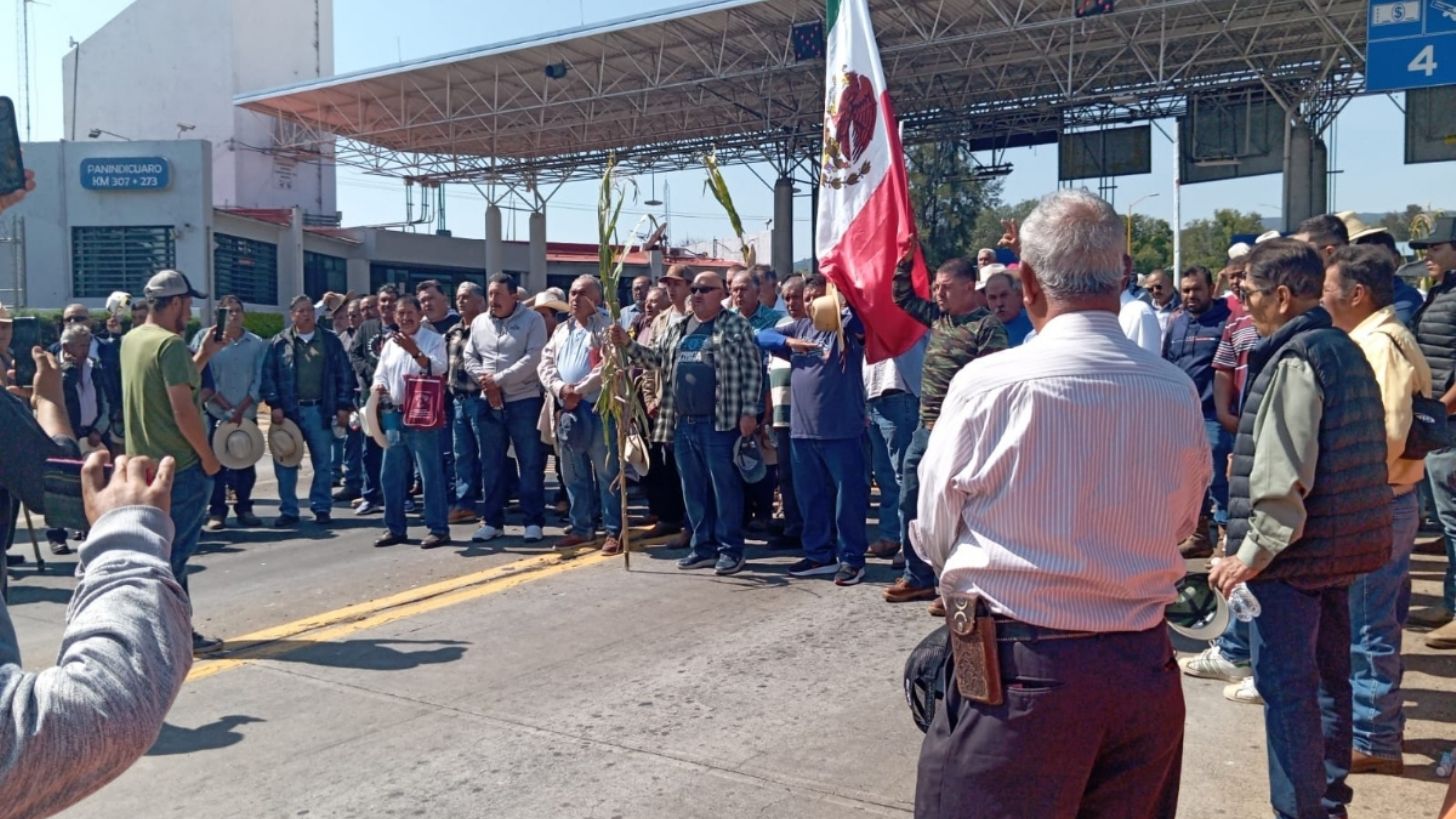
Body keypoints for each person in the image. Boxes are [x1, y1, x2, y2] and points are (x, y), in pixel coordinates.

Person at [912, 189, 1209, 817]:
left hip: (1022, 671)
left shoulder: (989, 385)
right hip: (1141, 669)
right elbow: (1183, 522)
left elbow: (936, 527)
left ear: (1025, 281)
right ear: (1123, 272)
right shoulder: (1175, 389)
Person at [1211, 237, 1391, 818]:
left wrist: (1251, 555)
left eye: (1252, 294)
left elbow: (1283, 474)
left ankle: (1302, 810)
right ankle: (1328, 803)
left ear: (1283, 295)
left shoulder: (1295, 358)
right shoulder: (1343, 346)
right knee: (1328, 684)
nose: (1245, 305)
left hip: (1292, 562)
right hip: (1337, 552)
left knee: (1289, 696)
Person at [1321, 244, 1432, 775]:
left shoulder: (1378, 346)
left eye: (1327, 287)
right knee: (1376, 621)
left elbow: (1386, 433)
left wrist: (1344, 484)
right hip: (1392, 499)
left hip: (1377, 500)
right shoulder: (1382, 335)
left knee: (1369, 628)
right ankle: (1376, 729)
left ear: (1356, 294)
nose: (1321, 297)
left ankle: (1374, 737)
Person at [613, 271, 762, 573]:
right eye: (694, 289)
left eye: (705, 289)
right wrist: (625, 345)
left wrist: (749, 412)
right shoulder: (679, 327)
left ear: (722, 293)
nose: (696, 294)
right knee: (693, 490)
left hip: (721, 422)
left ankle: (731, 549)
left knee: (724, 489)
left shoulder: (735, 325)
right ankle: (702, 545)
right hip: (683, 422)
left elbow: (753, 371)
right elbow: (654, 360)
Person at [890, 254, 1007, 611]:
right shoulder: (939, 319)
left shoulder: (986, 328)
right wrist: (903, 263)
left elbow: (994, 384)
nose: (938, 294)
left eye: (946, 287)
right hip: (926, 429)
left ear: (969, 288)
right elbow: (902, 298)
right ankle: (917, 576)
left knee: (955, 511)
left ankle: (953, 586)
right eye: (936, 287)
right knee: (911, 499)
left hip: (962, 435)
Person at [121, 269, 226, 656]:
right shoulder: (170, 345)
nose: (191, 311)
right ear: (177, 302)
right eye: (188, 303)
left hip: (142, 470)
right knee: (173, 560)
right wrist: (209, 458)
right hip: (179, 468)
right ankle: (175, 638)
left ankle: (154, 633)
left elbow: (168, 389)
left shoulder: (134, 340)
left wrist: (203, 356)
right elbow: (183, 411)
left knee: (155, 557)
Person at [757, 275, 870, 586]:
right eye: (806, 299)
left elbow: (865, 318)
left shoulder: (848, 327)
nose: (809, 304)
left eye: (816, 298)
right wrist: (787, 343)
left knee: (848, 499)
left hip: (841, 429)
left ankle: (852, 559)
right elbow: (760, 335)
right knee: (811, 498)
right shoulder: (799, 327)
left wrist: (847, 299)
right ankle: (819, 554)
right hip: (803, 431)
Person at [538, 276, 623, 553]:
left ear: (596, 299)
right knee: (573, 473)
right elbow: (545, 364)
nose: (574, 298)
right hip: (567, 409)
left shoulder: (606, 328)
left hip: (598, 408)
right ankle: (581, 527)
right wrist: (562, 389)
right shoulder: (562, 329)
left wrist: (580, 389)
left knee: (605, 471)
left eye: (581, 293)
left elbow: (608, 364)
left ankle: (614, 530)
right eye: (572, 293)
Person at [463, 274, 549, 544]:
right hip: (487, 401)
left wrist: (498, 381)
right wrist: (486, 382)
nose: (493, 300)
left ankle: (533, 521)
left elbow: (533, 357)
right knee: (491, 464)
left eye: (499, 294)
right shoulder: (479, 322)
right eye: (490, 294)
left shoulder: (532, 321)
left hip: (523, 399)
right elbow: (469, 356)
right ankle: (492, 521)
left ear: (514, 296)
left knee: (530, 462)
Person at [260, 295, 354, 527]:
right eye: (301, 311)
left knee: (323, 462)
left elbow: (344, 374)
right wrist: (274, 404)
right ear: (292, 315)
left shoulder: (330, 341)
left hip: (319, 410)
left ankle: (322, 507)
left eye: (310, 310)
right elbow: (268, 375)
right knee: (285, 462)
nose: (306, 314)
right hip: (289, 413)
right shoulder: (279, 342)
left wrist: (343, 406)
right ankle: (289, 510)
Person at [1163, 265, 1235, 558]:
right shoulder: (1177, 323)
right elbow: (1167, 361)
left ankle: (1227, 538)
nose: (1191, 295)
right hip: (1182, 414)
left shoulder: (1225, 322)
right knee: (1190, 478)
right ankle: (1198, 535)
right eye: (1186, 290)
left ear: (1211, 290)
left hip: (1212, 415)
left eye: (1197, 289)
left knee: (1219, 476)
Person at [371, 294, 451, 549]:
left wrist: (415, 352)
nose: (405, 318)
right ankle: (394, 528)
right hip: (393, 414)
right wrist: (379, 386)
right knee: (391, 474)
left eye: (409, 313)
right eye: (400, 314)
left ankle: (438, 529)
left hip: (422, 414)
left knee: (430, 473)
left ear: (419, 315)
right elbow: (380, 372)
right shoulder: (390, 343)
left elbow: (439, 369)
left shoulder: (433, 339)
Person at [1410, 216, 1456, 642]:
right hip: (1440, 419)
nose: (1427, 255)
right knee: (1448, 518)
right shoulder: (1442, 291)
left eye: (1435, 247)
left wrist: (1440, 412)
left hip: (1450, 423)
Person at [191, 296, 266, 531]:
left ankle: (244, 507)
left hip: (246, 413)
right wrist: (225, 406)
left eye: (237, 311)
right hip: (216, 412)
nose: (233, 315)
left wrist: (241, 408)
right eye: (227, 311)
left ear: (243, 314)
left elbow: (259, 379)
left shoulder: (256, 343)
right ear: (218, 316)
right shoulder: (205, 340)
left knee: (245, 462)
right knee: (216, 466)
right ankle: (217, 512)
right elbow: (202, 376)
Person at [728, 268, 785, 531]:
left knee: (764, 460)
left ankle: (764, 513)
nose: (738, 294)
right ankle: (741, 514)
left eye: (744, 289)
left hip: (765, 401)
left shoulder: (776, 320)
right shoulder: (725, 321)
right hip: (732, 405)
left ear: (757, 291)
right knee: (737, 460)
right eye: (735, 289)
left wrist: (769, 410)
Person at [630, 285, 686, 542]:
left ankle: (688, 523)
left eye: (655, 300)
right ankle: (666, 515)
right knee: (658, 465)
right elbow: (650, 367)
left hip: (679, 406)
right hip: (651, 407)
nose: (649, 305)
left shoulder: (684, 321)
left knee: (678, 467)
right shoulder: (647, 325)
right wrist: (650, 398)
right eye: (648, 301)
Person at [348, 284, 401, 516]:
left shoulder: (405, 328)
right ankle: (370, 496)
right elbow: (355, 354)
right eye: (382, 301)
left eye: (390, 301)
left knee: (398, 446)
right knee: (369, 449)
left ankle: (403, 494)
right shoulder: (367, 327)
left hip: (396, 400)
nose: (386, 305)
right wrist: (372, 373)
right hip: (369, 399)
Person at [766, 276, 805, 552]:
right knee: (787, 475)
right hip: (781, 414)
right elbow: (763, 341)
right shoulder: (781, 327)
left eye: (798, 296)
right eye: (787, 297)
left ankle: (814, 529)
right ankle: (793, 526)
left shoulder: (822, 326)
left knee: (810, 477)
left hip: (808, 418)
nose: (792, 303)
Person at [333, 298, 366, 503]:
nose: (352, 318)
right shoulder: (341, 338)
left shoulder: (372, 335)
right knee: (351, 442)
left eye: (356, 314)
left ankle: (370, 486)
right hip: (349, 397)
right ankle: (352, 483)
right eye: (349, 315)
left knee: (371, 443)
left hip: (369, 395)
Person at [980, 270, 1032, 345]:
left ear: (1017, 295)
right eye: (992, 298)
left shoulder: (1034, 323)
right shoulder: (982, 332)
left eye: (1004, 295)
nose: (999, 303)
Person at [1145, 268, 1181, 334]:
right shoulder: (1146, 310)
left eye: (1158, 287)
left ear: (1170, 284)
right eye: (1150, 289)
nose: (1155, 291)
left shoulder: (1183, 308)